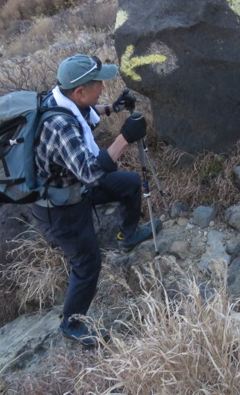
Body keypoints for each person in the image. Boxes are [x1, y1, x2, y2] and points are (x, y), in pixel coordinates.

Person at [30, 53, 162, 348]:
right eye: (98, 84)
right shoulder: (59, 126)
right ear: (79, 91)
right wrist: (124, 137)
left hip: (74, 185)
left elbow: (88, 112)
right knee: (87, 263)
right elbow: (90, 171)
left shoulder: (63, 99)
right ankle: (72, 322)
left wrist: (112, 108)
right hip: (59, 206)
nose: (103, 87)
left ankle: (126, 234)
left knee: (128, 184)